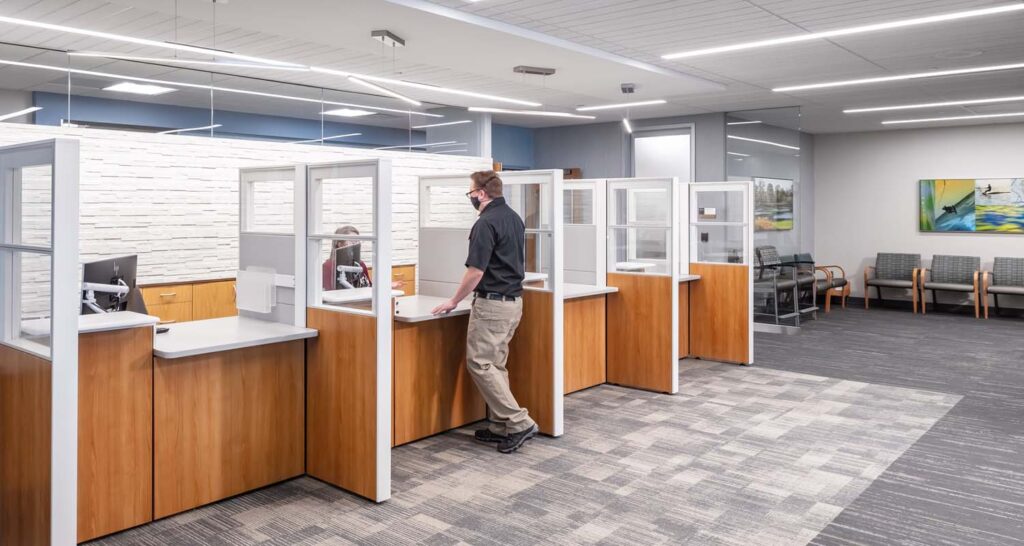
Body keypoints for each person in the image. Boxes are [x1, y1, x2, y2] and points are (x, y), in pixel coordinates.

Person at [431, 170, 538, 454]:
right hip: (513, 302)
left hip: (492, 304)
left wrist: (453, 300)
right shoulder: (514, 218)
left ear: (480, 193)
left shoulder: (485, 223)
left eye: (470, 192)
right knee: (496, 364)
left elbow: (476, 271)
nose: (470, 197)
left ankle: (518, 422)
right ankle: (501, 426)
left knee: (480, 363)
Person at [322, 225, 403, 291]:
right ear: (339, 244)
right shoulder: (328, 266)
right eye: (352, 241)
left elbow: (367, 287)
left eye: (357, 241)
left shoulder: (360, 264)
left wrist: (385, 286)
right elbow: (329, 294)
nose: (356, 244)